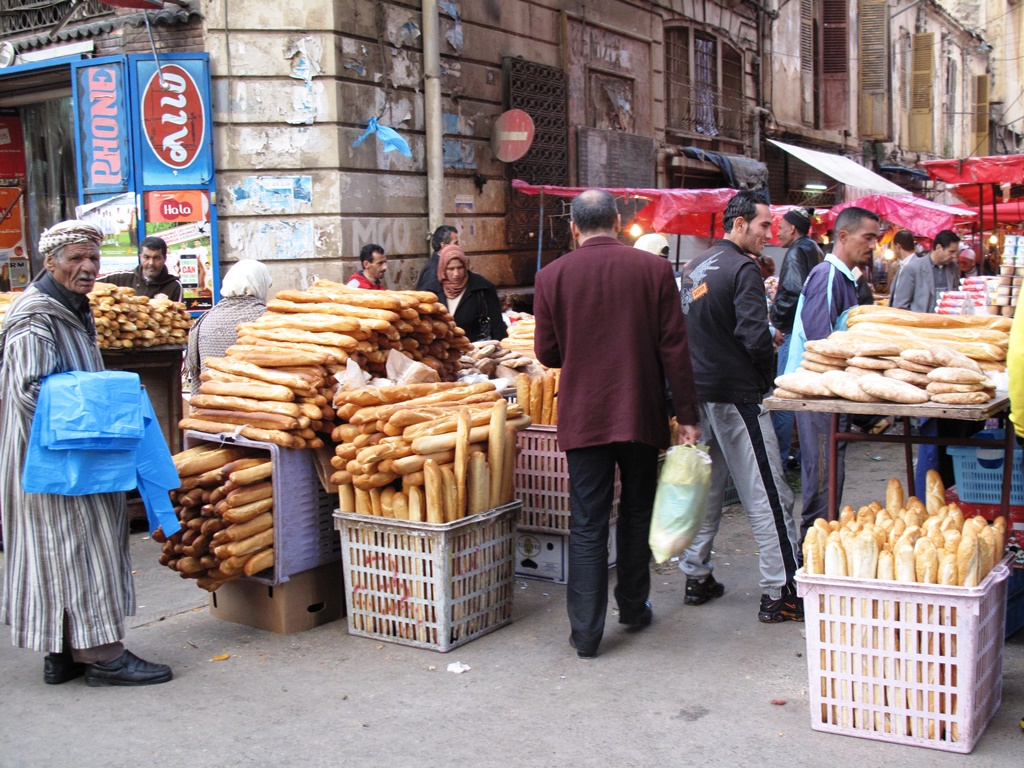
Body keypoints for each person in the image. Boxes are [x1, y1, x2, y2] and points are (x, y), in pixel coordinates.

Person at [0, 220, 172, 687]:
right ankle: (103, 655)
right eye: (76, 258)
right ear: (49, 262)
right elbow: (27, 392)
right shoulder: (36, 317)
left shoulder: (73, 307)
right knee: (77, 545)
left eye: (93, 258)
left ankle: (62, 653)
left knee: (62, 548)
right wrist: (103, 415)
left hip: (73, 450)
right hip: (58, 454)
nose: (88, 267)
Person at [533, 189, 701, 659]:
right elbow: (675, 350)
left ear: (574, 227)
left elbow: (546, 353)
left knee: (587, 523)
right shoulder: (652, 271)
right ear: (618, 221)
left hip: (585, 415)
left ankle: (586, 634)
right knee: (635, 512)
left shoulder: (552, 276)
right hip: (640, 412)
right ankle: (632, 606)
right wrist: (687, 416)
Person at [678, 190, 803, 624]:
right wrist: (767, 369)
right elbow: (754, 337)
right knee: (768, 494)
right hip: (738, 396)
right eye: (764, 225)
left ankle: (696, 575)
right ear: (738, 224)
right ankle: (781, 592)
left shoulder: (692, 268)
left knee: (708, 492)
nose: (769, 235)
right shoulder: (743, 269)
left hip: (700, 393)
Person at [790, 207, 881, 542]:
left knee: (830, 475)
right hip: (818, 393)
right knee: (823, 477)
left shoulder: (846, 278)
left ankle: (820, 550)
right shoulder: (827, 276)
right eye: (867, 237)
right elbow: (820, 345)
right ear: (843, 236)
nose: (873, 245)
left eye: (876, 238)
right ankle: (810, 553)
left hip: (832, 394)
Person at [769, 206, 823, 467]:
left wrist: (776, 321)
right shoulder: (815, 249)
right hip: (811, 331)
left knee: (785, 396)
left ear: (792, 228)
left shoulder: (796, 252)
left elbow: (791, 292)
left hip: (793, 331)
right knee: (806, 396)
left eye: (779, 227)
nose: (776, 232)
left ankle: (778, 460)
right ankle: (805, 458)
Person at [184, 259, 273, 394]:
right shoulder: (265, 318)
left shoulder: (206, 319)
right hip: (252, 402)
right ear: (259, 284)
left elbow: (197, 371)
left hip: (211, 401)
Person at [435, 244, 507, 342]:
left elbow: (497, 324)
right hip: (441, 351)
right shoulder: (432, 289)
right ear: (443, 269)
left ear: (465, 266)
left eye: (460, 268)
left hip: (474, 350)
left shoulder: (483, 287)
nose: (456, 274)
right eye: (451, 269)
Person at [890, 229, 960, 313]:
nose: (954, 256)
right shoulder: (912, 269)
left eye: (956, 252)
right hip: (920, 323)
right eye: (951, 252)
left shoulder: (954, 268)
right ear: (938, 247)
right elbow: (900, 306)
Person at [102, 236, 182, 301]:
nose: (151, 263)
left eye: (156, 258)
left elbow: (176, 317)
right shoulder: (121, 278)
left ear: (164, 259)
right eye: (146, 257)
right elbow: (91, 286)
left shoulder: (173, 285)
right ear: (140, 257)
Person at [416, 225, 459, 294]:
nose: (459, 247)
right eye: (456, 243)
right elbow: (426, 298)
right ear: (444, 245)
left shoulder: (441, 265)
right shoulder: (433, 269)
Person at [886, 229, 917, 296]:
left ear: (898, 247)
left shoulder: (919, 266)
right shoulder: (901, 265)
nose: (893, 250)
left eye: (893, 247)